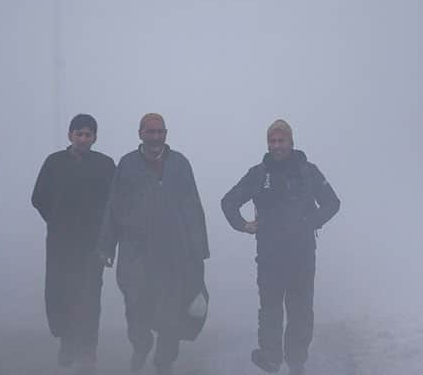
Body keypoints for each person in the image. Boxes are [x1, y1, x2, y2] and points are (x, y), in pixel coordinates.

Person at [221, 119, 340, 375]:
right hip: (269, 257)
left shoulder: (309, 172)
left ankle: (297, 364)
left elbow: (332, 202)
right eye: (272, 141)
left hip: (302, 256)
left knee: (300, 313)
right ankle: (271, 361)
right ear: (268, 144)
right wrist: (243, 225)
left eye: (281, 140)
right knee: (270, 313)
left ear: (291, 142)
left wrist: (311, 222)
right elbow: (228, 202)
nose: (277, 146)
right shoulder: (257, 174)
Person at [96, 113, 210, 375]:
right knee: (136, 308)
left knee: (171, 313)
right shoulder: (127, 165)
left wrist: (199, 249)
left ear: (166, 134)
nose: (155, 137)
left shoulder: (180, 164)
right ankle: (141, 345)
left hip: (173, 253)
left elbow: (193, 206)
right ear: (140, 134)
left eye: (160, 132)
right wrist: (106, 246)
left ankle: (164, 361)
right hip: (135, 253)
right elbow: (114, 206)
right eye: (150, 132)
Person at [32, 113, 117, 371]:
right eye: (79, 133)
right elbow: (38, 197)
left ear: (95, 137)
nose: (83, 138)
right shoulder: (54, 163)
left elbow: (115, 203)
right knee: (60, 293)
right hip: (61, 243)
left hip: (93, 245)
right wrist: (57, 220)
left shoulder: (105, 165)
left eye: (88, 134)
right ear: (70, 135)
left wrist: (107, 242)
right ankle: (67, 342)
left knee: (90, 297)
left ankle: (88, 350)